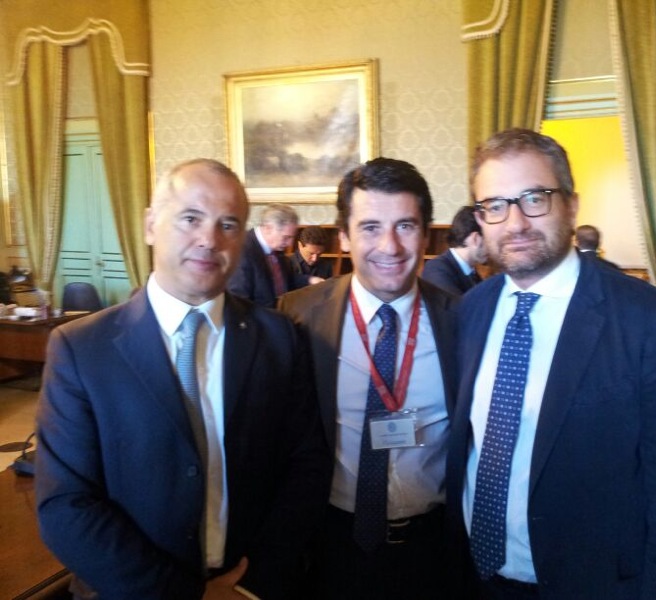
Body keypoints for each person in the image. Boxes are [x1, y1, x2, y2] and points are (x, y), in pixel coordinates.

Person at [35, 159, 331, 599]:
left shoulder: (280, 338)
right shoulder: (81, 348)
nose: (209, 239)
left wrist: (250, 584)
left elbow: (306, 467)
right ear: (150, 225)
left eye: (228, 224)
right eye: (190, 218)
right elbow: (65, 504)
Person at [446, 128, 656, 599]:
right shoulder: (470, 311)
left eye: (535, 198)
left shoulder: (652, 321)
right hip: (478, 578)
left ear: (571, 205)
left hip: (596, 584)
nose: (515, 222)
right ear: (480, 218)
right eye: (495, 205)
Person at [278, 157, 459, 600]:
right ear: (344, 236)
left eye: (405, 226)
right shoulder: (297, 316)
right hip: (329, 545)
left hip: (434, 549)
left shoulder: (461, 320)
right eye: (371, 227)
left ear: (425, 233)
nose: (390, 246)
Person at [227, 203, 322, 308]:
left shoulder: (276, 246)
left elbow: (286, 278)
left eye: (291, 237)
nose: (290, 243)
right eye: (286, 237)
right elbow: (238, 304)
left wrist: (310, 280)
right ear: (268, 228)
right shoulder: (242, 251)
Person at [421, 205, 488, 295]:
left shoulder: (474, 274)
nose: (491, 248)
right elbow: (459, 304)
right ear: (475, 239)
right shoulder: (436, 269)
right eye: (489, 240)